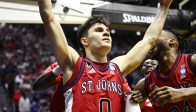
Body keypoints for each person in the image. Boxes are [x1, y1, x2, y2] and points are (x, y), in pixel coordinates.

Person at [37, 0, 172, 111]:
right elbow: (49, 18)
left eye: (107, 31)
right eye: (99, 30)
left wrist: (164, 8)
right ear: (84, 41)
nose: (106, 33)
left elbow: (150, 40)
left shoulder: (118, 66)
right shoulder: (74, 64)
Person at [133, 26, 196, 112]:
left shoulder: (195, 60)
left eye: (155, 36)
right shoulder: (143, 85)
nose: (150, 40)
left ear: (171, 42)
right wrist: (131, 102)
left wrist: (182, 93)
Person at [32, 62, 133, 112]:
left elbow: (131, 97)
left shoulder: (114, 71)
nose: (106, 35)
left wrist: (135, 96)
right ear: (84, 41)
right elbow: (37, 86)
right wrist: (59, 69)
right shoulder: (71, 65)